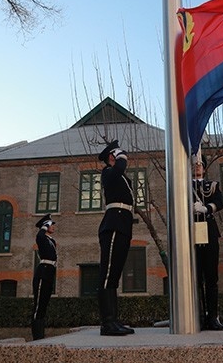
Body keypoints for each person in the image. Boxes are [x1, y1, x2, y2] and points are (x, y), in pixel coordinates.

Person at [97, 140, 135, 336]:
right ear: (111, 156)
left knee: (114, 275)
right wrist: (121, 157)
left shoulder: (120, 176)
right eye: (117, 153)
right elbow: (119, 167)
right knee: (107, 274)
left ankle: (114, 320)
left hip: (124, 223)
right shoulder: (108, 172)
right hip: (113, 222)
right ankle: (107, 322)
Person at [192, 154, 223, 331]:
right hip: (191, 230)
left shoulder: (212, 185)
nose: (197, 166)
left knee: (211, 277)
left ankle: (212, 317)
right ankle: (198, 316)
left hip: (208, 229)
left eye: (200, 164)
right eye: (194, 164)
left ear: (204, 168)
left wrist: (206, 208)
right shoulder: (184, 187)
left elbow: (220, 202)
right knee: (195, 277)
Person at [31, 213, 57, 340]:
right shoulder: (41, 238)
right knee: (39, 304)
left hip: (50, 272)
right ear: (45, 226)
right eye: (51, 225)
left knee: (44, 303)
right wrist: (45, 226)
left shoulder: (51, 240)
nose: (53, 227)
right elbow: (39, 236)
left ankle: (41, 334)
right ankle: (37, 336)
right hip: (43, 272)